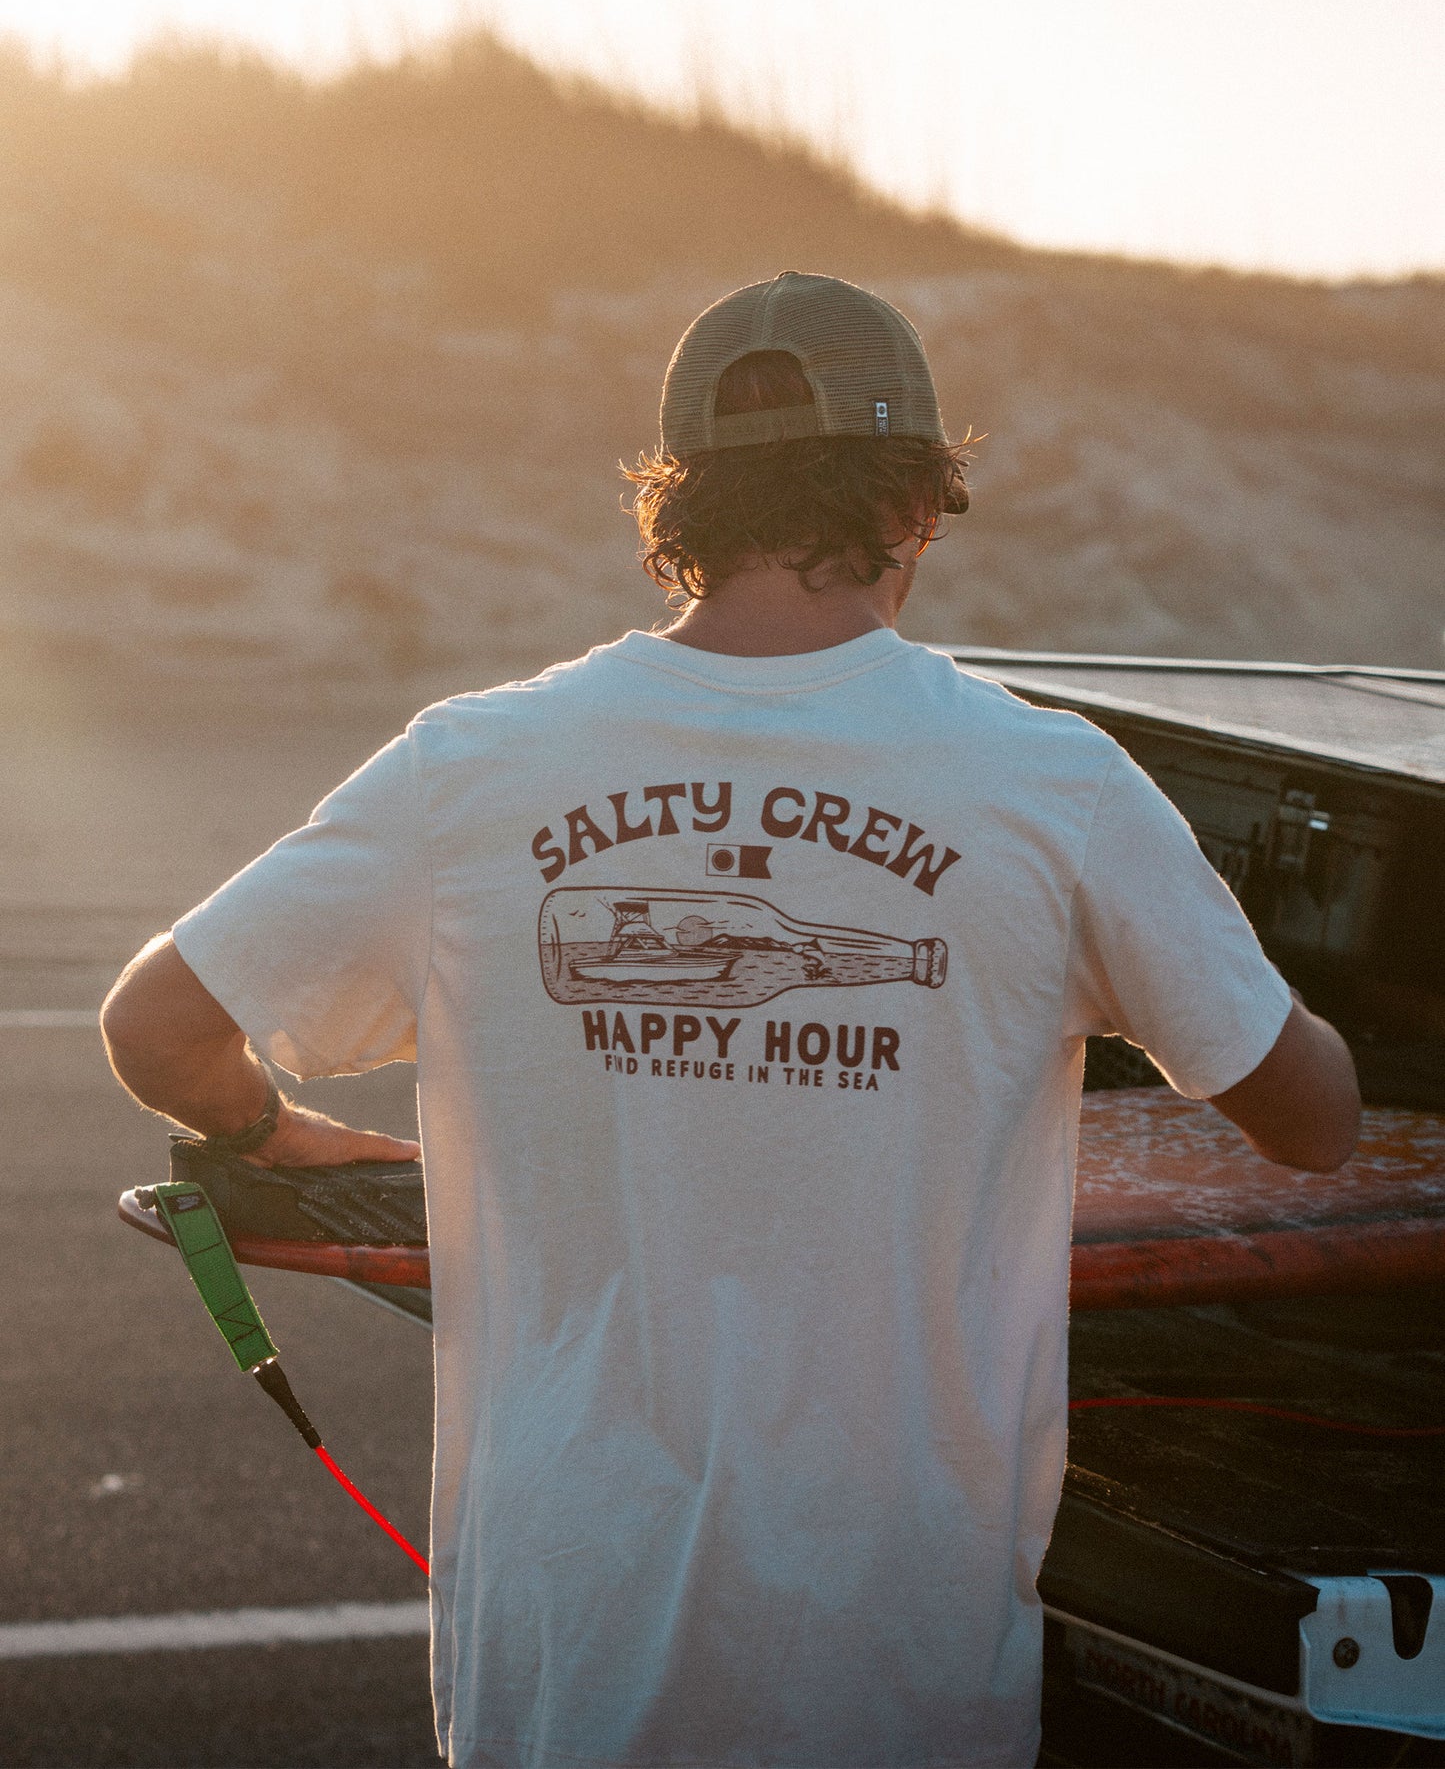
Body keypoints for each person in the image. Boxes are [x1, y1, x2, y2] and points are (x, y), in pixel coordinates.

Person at [101, 271, 1360, 1769]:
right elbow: (1312, 1120)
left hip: (567, 1654)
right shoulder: (1052, 784)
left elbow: (157, 1023)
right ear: (913, 503)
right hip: (898, 1660)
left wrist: (260, 1122)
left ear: (678, 506)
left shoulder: (472, 767)